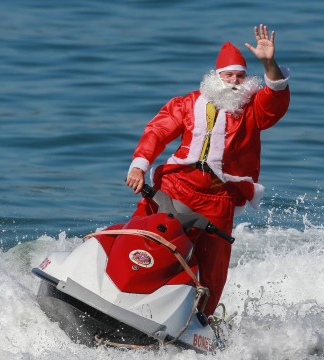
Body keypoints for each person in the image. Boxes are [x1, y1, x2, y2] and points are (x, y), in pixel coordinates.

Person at [125, 24, 290, 317]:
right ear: (216, 77)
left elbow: (276, 98)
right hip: (174, 187)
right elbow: (157, 132)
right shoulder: (187, 104)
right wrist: (140, 166)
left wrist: (268, 63)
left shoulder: (252, 109)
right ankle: (119, 287)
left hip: (217, 200)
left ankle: (199, 320)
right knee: (139, 235)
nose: (234, 82)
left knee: (212, 267)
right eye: (228, 75)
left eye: (240, 76)